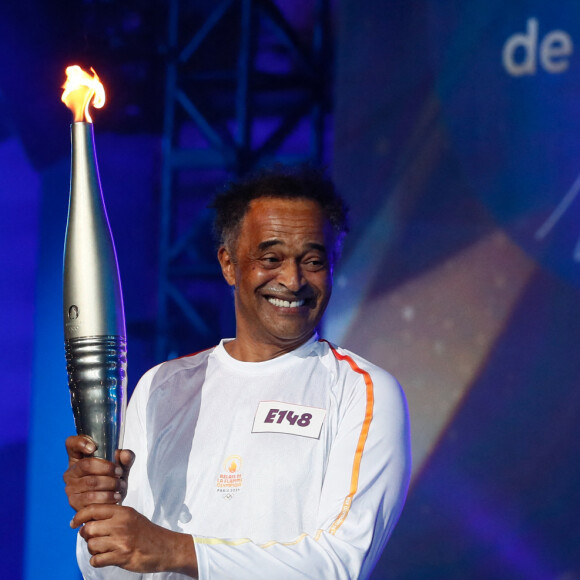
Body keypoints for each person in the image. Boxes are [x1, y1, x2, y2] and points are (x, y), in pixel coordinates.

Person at [64, 165, 412, 579]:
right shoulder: (162, 386)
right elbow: (119, 573)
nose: (292, 279)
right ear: (229, 264)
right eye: (271, 258)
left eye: (314, 261)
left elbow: (338, 564)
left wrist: (176, 549)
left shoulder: (362, 391)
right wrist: (102, 515)